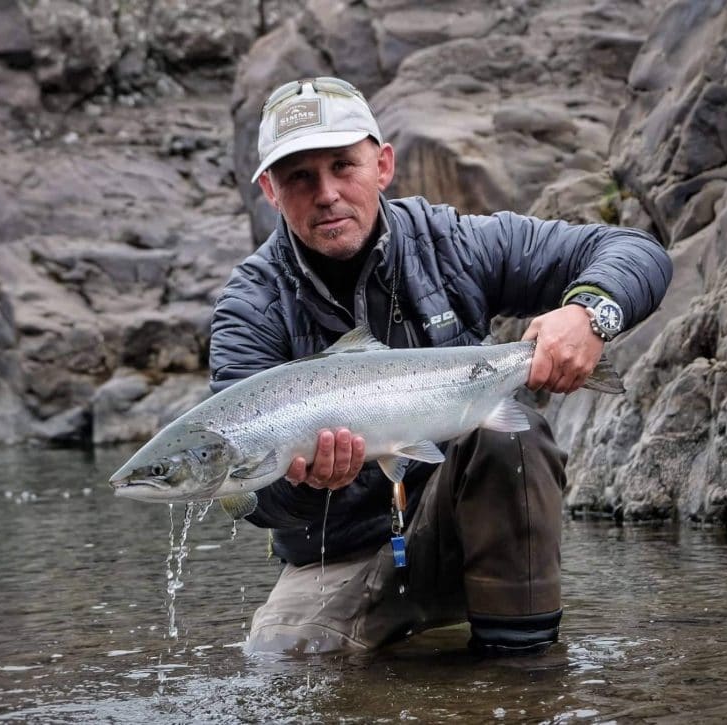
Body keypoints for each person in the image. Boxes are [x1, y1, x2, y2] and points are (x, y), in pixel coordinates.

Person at [209, 77, 672, 655]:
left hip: (470, 534)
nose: (326, 193)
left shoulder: (453, 242)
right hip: (337, 559)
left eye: (342, 166)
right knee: (280, 671)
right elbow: (253, 500)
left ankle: (522, 673)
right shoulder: (250, 307)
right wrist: (308, 486)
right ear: (270, 192)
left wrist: (589, 313)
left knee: (512, 438)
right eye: (299, 176)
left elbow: (638, 251)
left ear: (382, 165)